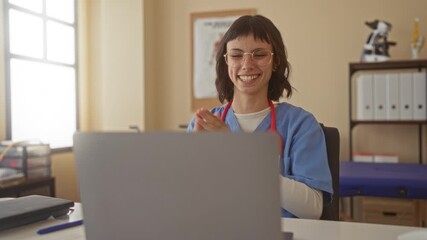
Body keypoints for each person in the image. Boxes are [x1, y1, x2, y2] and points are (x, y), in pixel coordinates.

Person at [187, 15, 333, 219]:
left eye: (259, 54)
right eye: (236, 55)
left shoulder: (300, 125)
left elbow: (313, 209)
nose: (247, 64)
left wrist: (238, 152)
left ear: (275, 61)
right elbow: (187, 200)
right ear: (226, 61)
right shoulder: (203, 124)